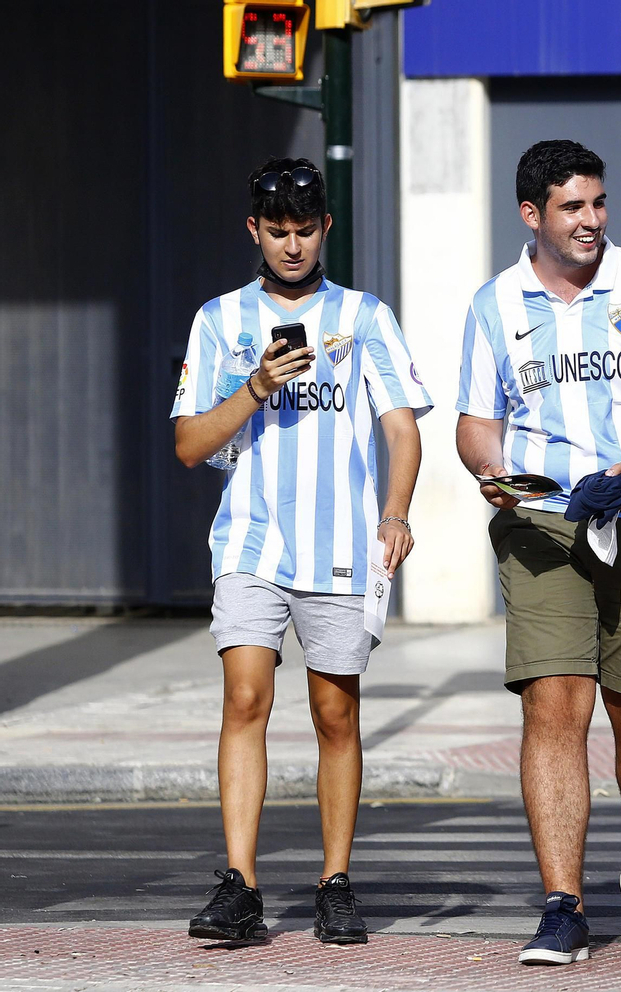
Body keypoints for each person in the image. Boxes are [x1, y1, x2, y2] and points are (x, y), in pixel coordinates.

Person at [454, 139, 621, 966]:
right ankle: (563, 903)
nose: (592, 220)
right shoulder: (493, 304)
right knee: (554, 707)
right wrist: (491, 471)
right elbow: (474, 421)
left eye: (598, 203)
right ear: (532, 215)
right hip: (543, 527)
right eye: (573, 207)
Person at [175, 157, 429, 946]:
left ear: (325, 229)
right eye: (277, 231)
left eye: (305, 230)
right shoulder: (220, 319)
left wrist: (395, 513)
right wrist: (252, 388)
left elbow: (401, 426)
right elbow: (189, 444)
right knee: (245, 698)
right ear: (254, 230)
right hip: (250, 541)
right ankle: (241, 885)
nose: (292, 246)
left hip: (343, 550)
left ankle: (335, 883)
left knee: (334, 712)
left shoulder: (364, 316)